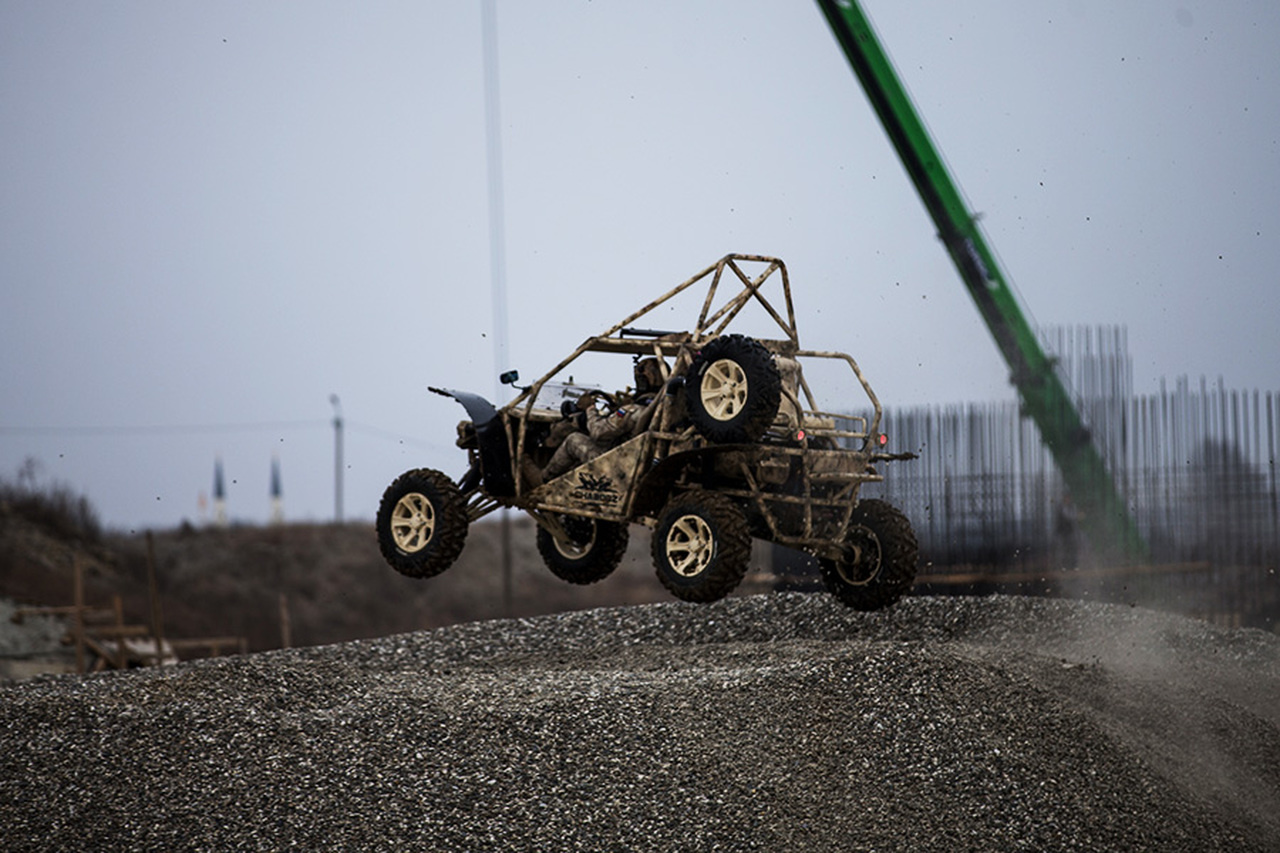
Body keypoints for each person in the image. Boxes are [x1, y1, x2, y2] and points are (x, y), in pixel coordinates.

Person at [541, 357, 666, 480]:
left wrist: (589, 408)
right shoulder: (660, 406)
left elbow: (598, 433)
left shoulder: (633, 410)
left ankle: (543, 480)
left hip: (616, 465)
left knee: (573, 439)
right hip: (635, 458)